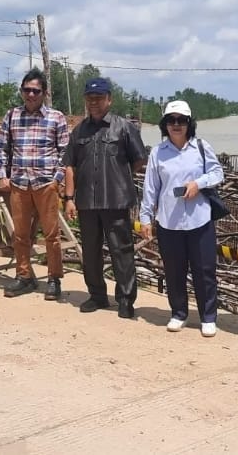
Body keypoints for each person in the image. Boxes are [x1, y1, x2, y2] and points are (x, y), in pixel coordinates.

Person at [63, 77, 147, 318]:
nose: (94, 103)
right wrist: (69, 198)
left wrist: (119, 177)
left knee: (121, 250)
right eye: (90, 99)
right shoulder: (79, 130)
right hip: (87, 202)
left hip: (116, 200)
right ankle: (97, 295)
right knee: (90, 251)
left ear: (109, 100)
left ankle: (125, 299)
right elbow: (70, 166)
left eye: (99, 98)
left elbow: (139, 159)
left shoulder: (124, 127)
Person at [139, 100, 224, 337]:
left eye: (181, 120)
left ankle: (208, 316)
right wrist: (145, 217)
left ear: (189, 123)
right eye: (171, 120)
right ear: (164, 124)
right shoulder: (158, 153)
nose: (176, 125)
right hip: (169, 221)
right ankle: (178, 313)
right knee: (174, 271)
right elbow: (150, 188)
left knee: (204, 270)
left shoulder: (200, 147)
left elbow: (218, 173)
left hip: (200, 219)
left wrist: (199, 183)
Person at [0, 68, 70, 300]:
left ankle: (54, 279)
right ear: (21, 91)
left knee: (51, 235)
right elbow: (2, 148)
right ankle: (24, 275)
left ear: (44, 93)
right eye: (27, 90)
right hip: (19, 183)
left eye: (36, 90)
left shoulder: (56, 118)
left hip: (45, 183)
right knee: (20, 234)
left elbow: (66, 152)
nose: (31, 95)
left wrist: (57, 179)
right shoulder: (12, 116)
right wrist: (1, 175)